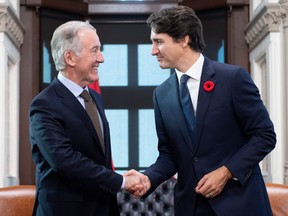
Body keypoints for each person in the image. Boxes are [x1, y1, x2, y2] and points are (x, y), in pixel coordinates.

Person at [125, 5, 276, 216]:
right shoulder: (162, 94)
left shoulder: (232, 79)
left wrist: (226, 172)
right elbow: (169, 154)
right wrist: (148, 177)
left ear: (184, 40)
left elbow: (265, 136)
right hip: (191, 207)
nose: (152, 51)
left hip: (240, 205)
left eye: (158, 41)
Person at [29, 20, 143, 216]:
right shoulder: (44, 105)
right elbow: (65, 160)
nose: (101, 58)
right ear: (70, 57)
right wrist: (121, 181)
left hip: (103, 208)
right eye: (94, 50)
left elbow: (100, 158)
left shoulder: (94, 98)